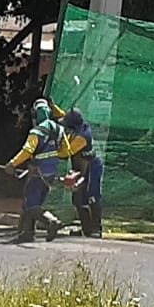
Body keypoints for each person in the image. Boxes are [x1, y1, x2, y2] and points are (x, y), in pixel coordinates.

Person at [7, 99, 65, 243]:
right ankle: (27, 233)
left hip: (38, 172)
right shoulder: (59, 130)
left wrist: (12, 164)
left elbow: (27, 151)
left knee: (31, 204)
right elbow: (66, 150)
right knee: (35, 203)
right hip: (52, 173)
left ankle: (51, 221)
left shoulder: (37, 131)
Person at [58, 106, 104, 238]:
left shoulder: (82, 137)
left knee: (92, 196)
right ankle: (86, 229)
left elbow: (65, 153)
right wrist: (52, 106)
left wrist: (53, 149)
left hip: (91, 168)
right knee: (78, 198)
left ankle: (96, 229)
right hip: (80, 167)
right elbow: (62, 115)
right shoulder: (79, 126)